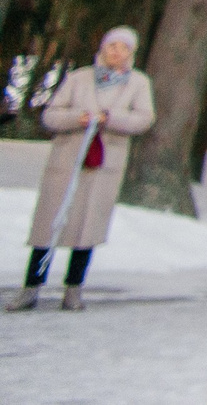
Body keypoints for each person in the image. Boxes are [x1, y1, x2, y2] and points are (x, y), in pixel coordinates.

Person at [11, 26, 154, 313]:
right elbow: (51, 115)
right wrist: (79, 117)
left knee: (87, 227)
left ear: (131, 53)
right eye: (112, 46)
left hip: (103, 164)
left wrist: (110, 118)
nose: (116, 52)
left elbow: (144, 118)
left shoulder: (137, 83)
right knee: (49, 224)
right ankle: (31, 287)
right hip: (68, 162)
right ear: (103, 48)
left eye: (123, 48)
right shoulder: (79, 79)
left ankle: (73, 289)